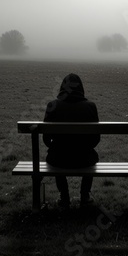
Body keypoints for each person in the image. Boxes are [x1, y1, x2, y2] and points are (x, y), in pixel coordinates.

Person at [43, 73, 100, 209]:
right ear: (81, 88)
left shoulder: (52, 105)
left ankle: (64, 197)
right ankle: (85, 196)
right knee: (92, 156)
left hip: (58, 158)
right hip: (84, 159)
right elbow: (96, 138)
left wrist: (55, 147)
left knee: (54, 155)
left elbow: (45, 138)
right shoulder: (90, 106)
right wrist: (85, 147)